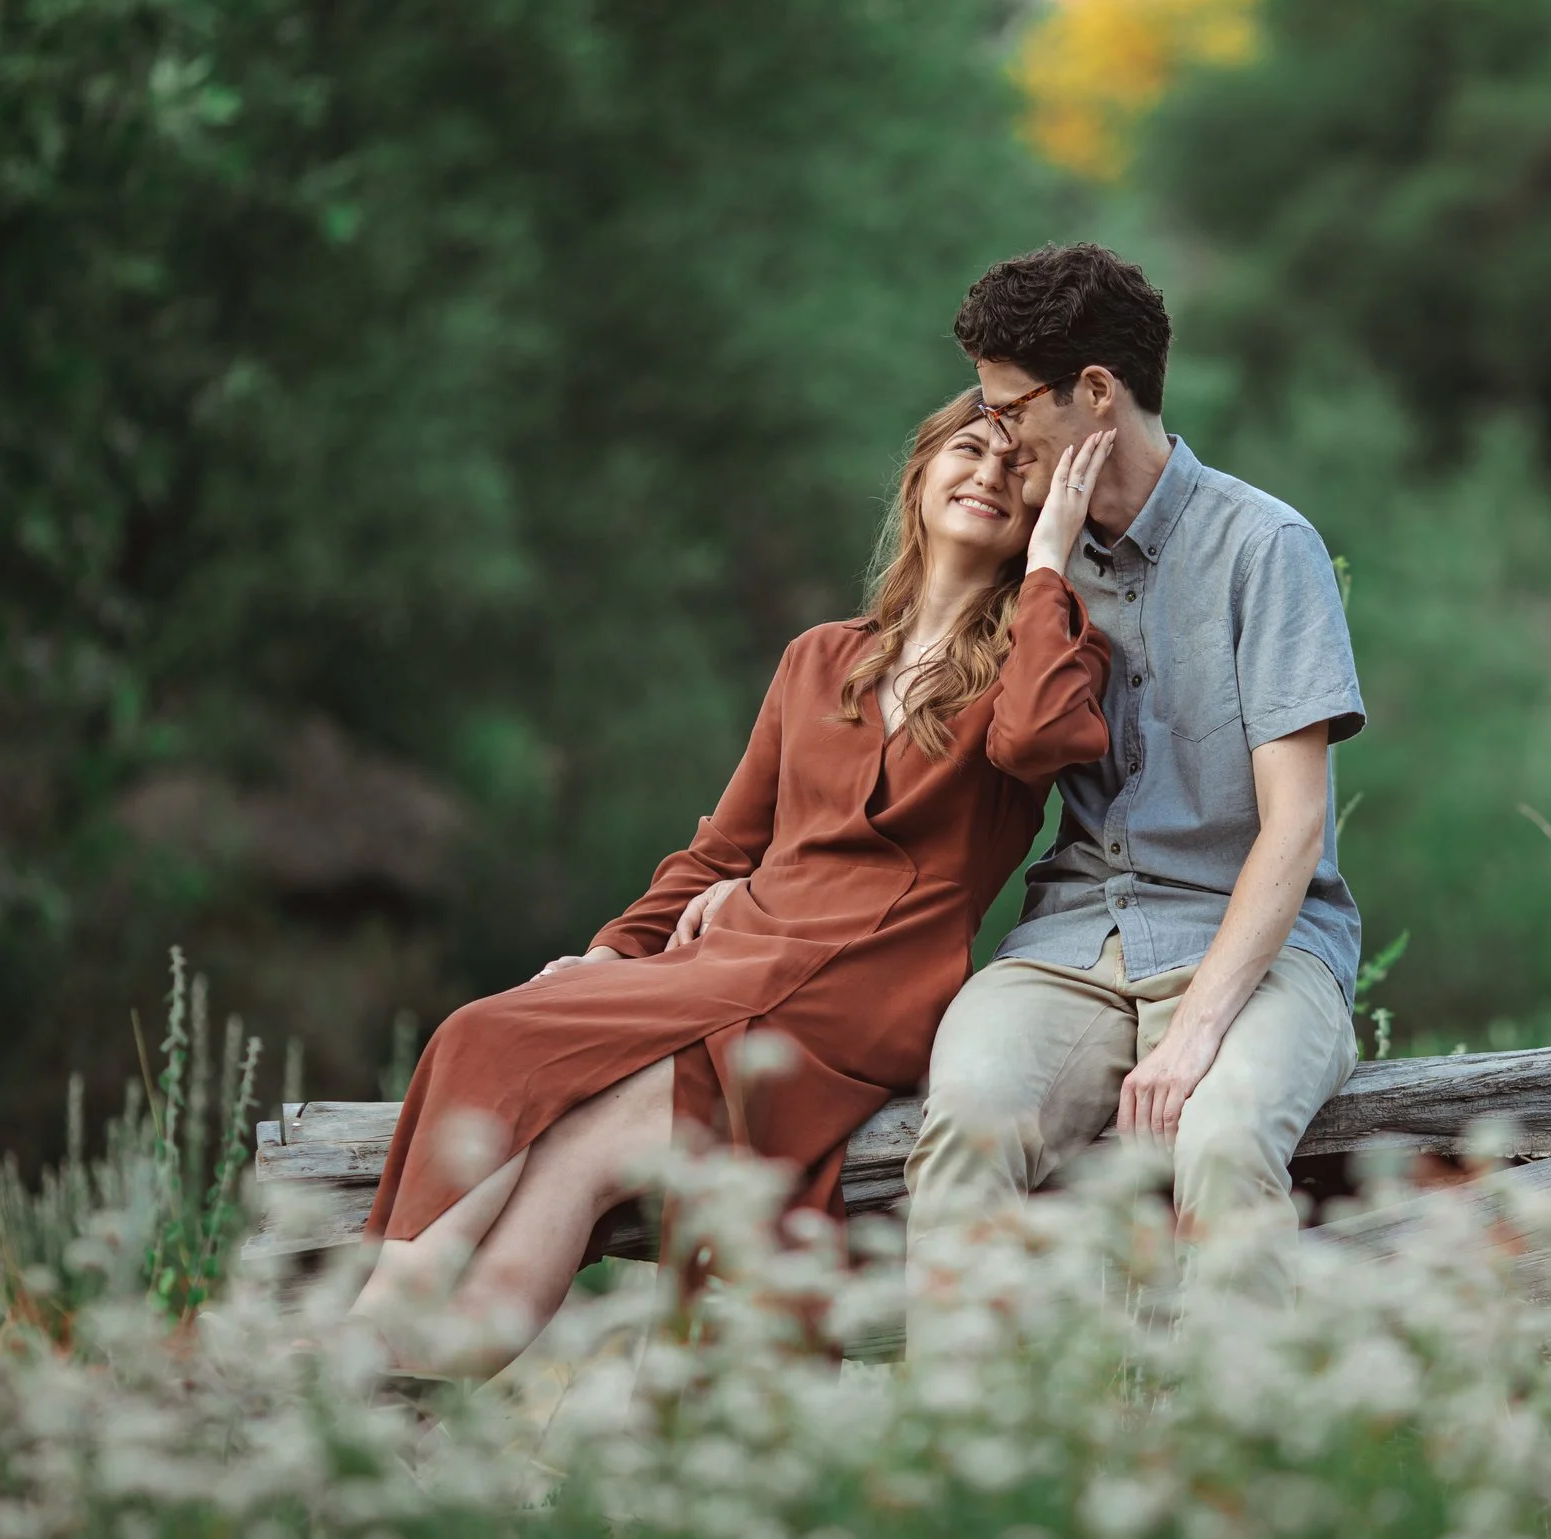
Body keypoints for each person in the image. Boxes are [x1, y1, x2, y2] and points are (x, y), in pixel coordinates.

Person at [346, 394, 1115, 1378]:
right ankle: (419, 1370)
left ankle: (364, 1340)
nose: (988, 477)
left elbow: (1040, 740)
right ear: (918, 477)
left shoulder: (1044, 657)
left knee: (482, 1034)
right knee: (584, 1140)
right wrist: (614, 951)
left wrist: (1050, 563)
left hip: (865, 988)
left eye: (1019, 470)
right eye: (967, 451)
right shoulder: (819, 659)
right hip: (744, 956)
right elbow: (721, 849)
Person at [904, 244, 1367, 1319]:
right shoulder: (1034, 556)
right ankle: (959, 1471)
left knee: (1222, 1134)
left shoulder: (1266, 545)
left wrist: (1200, 1028)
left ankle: (1244, 1464)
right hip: (1070, 944)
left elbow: (1292, 830)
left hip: (1253, 944)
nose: (995, 434)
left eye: (1008, 405)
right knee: (965, 1126)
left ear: (1096, 396)